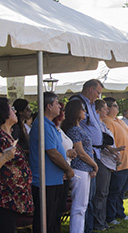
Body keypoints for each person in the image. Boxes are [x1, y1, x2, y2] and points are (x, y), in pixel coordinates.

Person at [29, 92, 74, 233]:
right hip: (45, 182)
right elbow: (53, 153)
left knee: (54, 219)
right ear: (48, 106)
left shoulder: (49, 125)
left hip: (53, 180)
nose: (60, 106)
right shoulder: (43, 125)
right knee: (45, 221)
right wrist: (67, 168)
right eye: (57, 103)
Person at [70, 79, 104, 233]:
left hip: (92, 155)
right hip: (82, 163)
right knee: (82, 203)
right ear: (90, 89)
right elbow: (80, 150)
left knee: (87, 200)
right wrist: (94, 164)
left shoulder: (90, 104)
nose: (98, 96)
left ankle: (87, 228)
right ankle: (84, 229)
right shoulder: (78, 102)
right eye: (97, 92)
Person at [61, 100, 98, 233]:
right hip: (79, 169)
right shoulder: (73, 129)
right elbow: (81, 152)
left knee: (83, 205)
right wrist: (94, 165)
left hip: (85, 169)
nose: (85, 111)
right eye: (82, 109)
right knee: (79, 206)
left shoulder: (78, 127)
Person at [103, 97, 128, 225]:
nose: (117, 108)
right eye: (115, 106)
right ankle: (111, 216)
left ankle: (120, 213)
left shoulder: (119, 120)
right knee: (114, 191)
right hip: (120, 162)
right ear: (107, 108)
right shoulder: (106, 121)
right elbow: (109, 143)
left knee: (121, 192)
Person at [0, 97, 33, 233]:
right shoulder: (1, 138)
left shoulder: (8, 135)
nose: (15, 112)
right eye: (11, 109)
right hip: (4, 199)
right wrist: (5, 157)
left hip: (14, 198)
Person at [93, 99, 124, 231]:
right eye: (104, 109)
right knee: (101, 193)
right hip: (101, 161)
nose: (107, 111)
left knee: (104, 193)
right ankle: (98, 223)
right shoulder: (96, 125)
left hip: (109, 161)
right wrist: (110, 149)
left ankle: (103, 220)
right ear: (97, 111)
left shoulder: (102, 124)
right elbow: (99, 142)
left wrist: (115, 154)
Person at [52, 102, 77, 220]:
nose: (64, 113)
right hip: (59, 172)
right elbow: (53, 152)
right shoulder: (51, 129)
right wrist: (67, 154)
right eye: (62, 110)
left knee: (59, 208)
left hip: (66, 170)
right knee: (55, 209)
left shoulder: (59, 129)